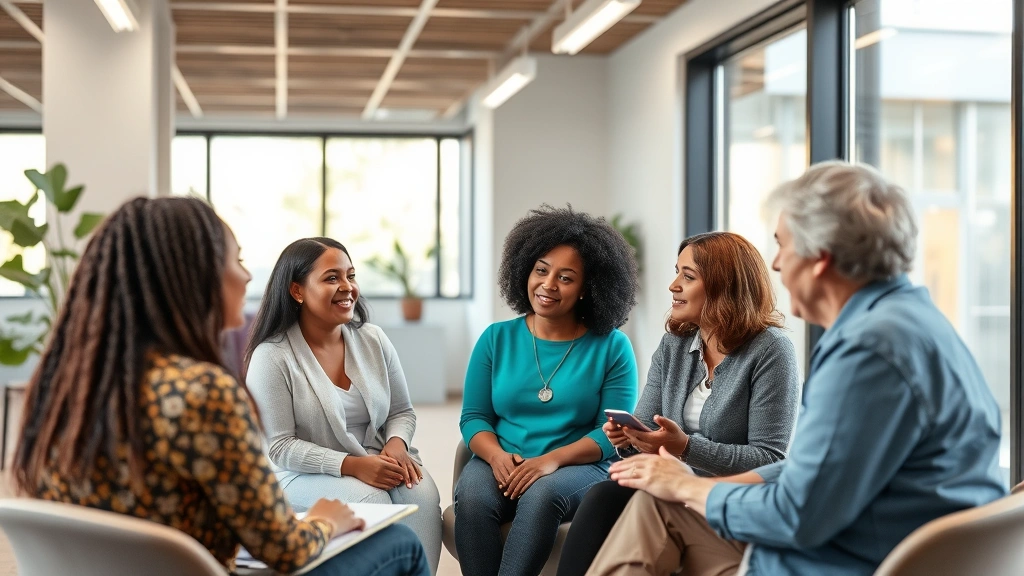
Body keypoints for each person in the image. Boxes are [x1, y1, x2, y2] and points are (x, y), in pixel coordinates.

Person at [586, 161, 1007, 576]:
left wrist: (686, 484)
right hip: (878, 543)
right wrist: (714, 485)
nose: (776, 264)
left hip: (835, 559)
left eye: (783, 245)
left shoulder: (866, 350)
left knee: (660, 503)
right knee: (653, 502)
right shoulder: (913, 321)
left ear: (819, 257)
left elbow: (797, 515)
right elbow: (823, 466)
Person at [12, 197, 429, 576]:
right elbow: (282, 548)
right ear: (195, 276)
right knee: (400, 543)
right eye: (237, 260)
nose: (248, 276)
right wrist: (325, 520)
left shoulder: (63, 391)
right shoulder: (204, 393)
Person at [557, 231, 801, 576]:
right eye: (677, 272)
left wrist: (685, 448)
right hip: (669, 480)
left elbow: (769, 458)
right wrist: (629, 438)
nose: (673, 285)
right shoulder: (675, 344)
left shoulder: (772, 351)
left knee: (635, 501)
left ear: (723, 286)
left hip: (724, 494)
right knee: (602, 496)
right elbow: (646, 425)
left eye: (687, 276)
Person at [454, 205, 640, 576]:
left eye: (566, 278)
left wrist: (551, 460)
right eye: (541, 270)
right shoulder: (496, 338)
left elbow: (610, 437)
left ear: (589, 288)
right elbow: (474, 417)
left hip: (577, 465)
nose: (548, 284)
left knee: (542, 495)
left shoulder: (612, 346)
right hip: (502, 457)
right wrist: (495, 456)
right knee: (472, 498)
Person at [244, 237, 442, 574]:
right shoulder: (271, 356)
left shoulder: (373, 339)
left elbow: (401, 412)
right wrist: (351, 465)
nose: (347, 287)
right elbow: (278, 447)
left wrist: (396, 445)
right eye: (332, 278)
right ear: (297, 291)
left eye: (351, 276)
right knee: (372, 500)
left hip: (378, 456)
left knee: (422, 498)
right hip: (297, 474)